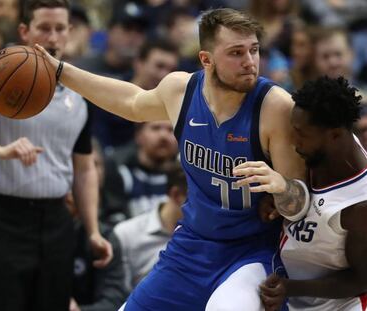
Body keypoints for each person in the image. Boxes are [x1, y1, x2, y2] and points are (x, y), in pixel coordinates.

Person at [35, 8, 308, 310]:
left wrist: (283, 188)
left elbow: (300, 207)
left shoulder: (276, 107)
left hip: (253, 251)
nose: (250, 62)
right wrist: (62, 72)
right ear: (206, 60)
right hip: (193, 244)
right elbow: (131, 102)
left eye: (254, 50)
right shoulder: (182, 89)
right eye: (236, 52)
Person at [0, 1, 112, 310]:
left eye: (59, 29)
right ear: (25, 31)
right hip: (2, 220)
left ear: (70, 33)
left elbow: (84, 168)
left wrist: (93, 230)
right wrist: (0, 151)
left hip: (57, 222)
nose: (52, 38)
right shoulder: (0, 76)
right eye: (44, 28)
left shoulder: (81, 93)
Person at [236, 77, 367, 311]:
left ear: (334, 135)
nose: (292, 141)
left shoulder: (359, 206)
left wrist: (291, 287)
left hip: (338, 304)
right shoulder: (328, 147)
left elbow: (360, 280)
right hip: (284, 281)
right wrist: (277, 200)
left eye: (300, 133)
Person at [113, 162, 186, 292]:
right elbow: (117, 298)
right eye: (201, 198)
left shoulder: (211, 236)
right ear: (176, 195)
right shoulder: (126, 235)